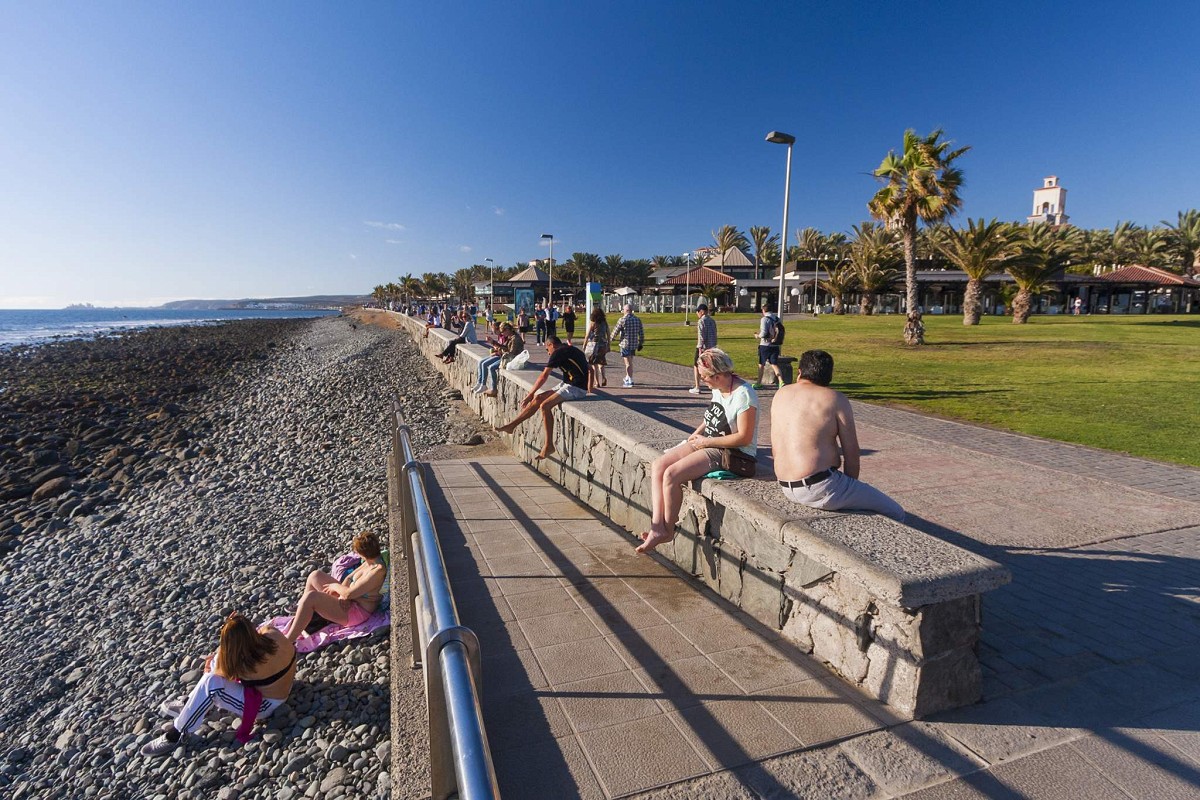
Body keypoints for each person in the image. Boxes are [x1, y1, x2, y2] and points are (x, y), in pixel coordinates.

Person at [637, 348, 758, 554]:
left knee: (672, 475)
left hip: (731, 452)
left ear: (718, 376)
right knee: (659, 466)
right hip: (709, 441)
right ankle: (657, 527)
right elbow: (712, 416)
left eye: (704, 377)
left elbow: (744, 437)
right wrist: (695, 436)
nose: (703, 381)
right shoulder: (719, 388)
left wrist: (707, 441)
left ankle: (668, 529)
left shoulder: (744, 395)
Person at [771, 350, 904, 520]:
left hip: (786, 485)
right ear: (829, 375)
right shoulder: (834, 399)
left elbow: (776, 449)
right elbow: (852, 452)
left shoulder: (781, 394)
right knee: (895, 511)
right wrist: (850, 485)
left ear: (800, 372)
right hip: (820, 487)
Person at [141, 612, 296, 757]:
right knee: (213, 675)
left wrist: (220, 652)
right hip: (285, 688)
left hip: (266, 705)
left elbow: (216, 671)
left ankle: (178, 733)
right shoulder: (272, 633)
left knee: (212, 683)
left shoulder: (248, 667)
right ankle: (189, 703)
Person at [284, 531, 388, 643]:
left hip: (357, 612)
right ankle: (310, 618)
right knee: (315, 575)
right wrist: (343, 597)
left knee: (311, 597)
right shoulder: (369, 562)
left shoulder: (377, 571)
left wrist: (336, 587)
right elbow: (348, 578)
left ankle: (288, 640)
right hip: (348, 600)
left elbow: (350, 593)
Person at [495, 336, 589, 461]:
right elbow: (589, 369)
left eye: (547, 349)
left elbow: (544, 376)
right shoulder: (568, 349)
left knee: (545, 406)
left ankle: (549, 445)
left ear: (552, 345)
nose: (548, 353)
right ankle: (512, 425)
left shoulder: (558, 352)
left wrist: (529, 395)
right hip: (569, 384)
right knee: (539, 398)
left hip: (576, 388)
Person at [482, 323, 525, 397]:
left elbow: (511, 352)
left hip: (513, 360)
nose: (502, 334)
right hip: (509, 357)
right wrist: (494, 344)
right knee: (488, 365)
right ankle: (491, 388)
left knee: (492, 367)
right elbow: (505, 347)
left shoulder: (515, 339)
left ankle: (494, 389)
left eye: (502, 332)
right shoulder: (510, 337)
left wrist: (499, 351)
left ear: (507, 330)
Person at [611, 304, 645, 387]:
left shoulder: (622, 320)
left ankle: (630, 379)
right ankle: (627, 377)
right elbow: (641, 333)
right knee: (630, 361)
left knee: (628, 363)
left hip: (625, 344)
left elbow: (615, 331)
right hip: (633, 344)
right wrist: (640, 342)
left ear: (625, 311)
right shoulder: (637, 319)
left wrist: (610, 339)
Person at [752, 306, 785, 389]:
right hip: (775, 344)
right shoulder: (777, 318)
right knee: (774, 364)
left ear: (763, 310)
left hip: (765, 345)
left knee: (761, 364)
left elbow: (763, 333)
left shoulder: (764, 319)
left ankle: (758, 383)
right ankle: (781, 381)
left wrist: (757, 336)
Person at [689, 303, 718, 394]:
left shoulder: (701, 321)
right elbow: (715, 333)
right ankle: (715, 386)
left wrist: (700, 349)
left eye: (697, 312)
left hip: (703, 347)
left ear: (701, 312)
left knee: (696, 366)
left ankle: (697, 387)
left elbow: (701, 336)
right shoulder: (712, 320)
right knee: (711, 367)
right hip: (712, 347)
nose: (697, 314)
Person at [583, 307, 610, 389]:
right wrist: (609, 344)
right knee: (601, 363)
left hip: (594, 345)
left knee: (594, 364)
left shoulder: (593, 323)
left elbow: (587, 335)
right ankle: (604, 377)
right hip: (603, 344)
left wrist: (584, 345)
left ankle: (597, 382)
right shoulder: (604, 323)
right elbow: (608, 333)